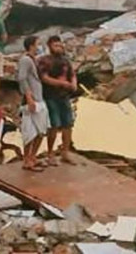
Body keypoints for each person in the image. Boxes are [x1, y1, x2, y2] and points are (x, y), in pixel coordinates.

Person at [38, 35, 78, 165]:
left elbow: (72, 75)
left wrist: (73, 84)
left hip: (64, 96)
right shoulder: (45, 61)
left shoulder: (66, 61)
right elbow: (44, 78)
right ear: (49, 46)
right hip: (51, 96)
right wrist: (60, 84)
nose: (59, 48)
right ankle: (50, 153)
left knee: (68, 124)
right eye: (56, 45)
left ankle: (65, 152)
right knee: (54, 125)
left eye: (60, 45)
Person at [17, 35, 50, 172]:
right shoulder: (25, 60)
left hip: (39, 99)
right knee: (30, 132)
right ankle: (27, 160)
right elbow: (22, 79)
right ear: (31, 45)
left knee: (41, 130)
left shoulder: (33, 60)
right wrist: (29, 97)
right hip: (32, 100)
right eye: (37, 44)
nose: (39, 47)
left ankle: (33, 157)